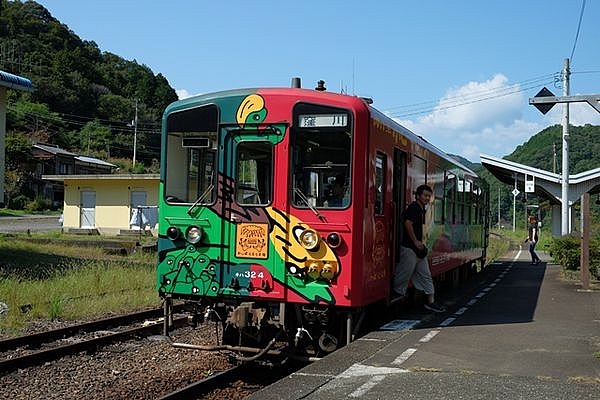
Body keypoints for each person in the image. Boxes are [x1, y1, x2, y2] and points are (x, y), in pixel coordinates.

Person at [393, 184, 446, 313]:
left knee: (426, 275)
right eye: (425, 195)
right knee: (403, 276)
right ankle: (396, 302)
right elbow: (407, 223)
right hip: (410, 249)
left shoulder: (421, 209)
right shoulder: (414, 208)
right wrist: (416, 241)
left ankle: (431, 302)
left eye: (429, 196)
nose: (427, 198)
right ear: (418, 196)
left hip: (418, 251)